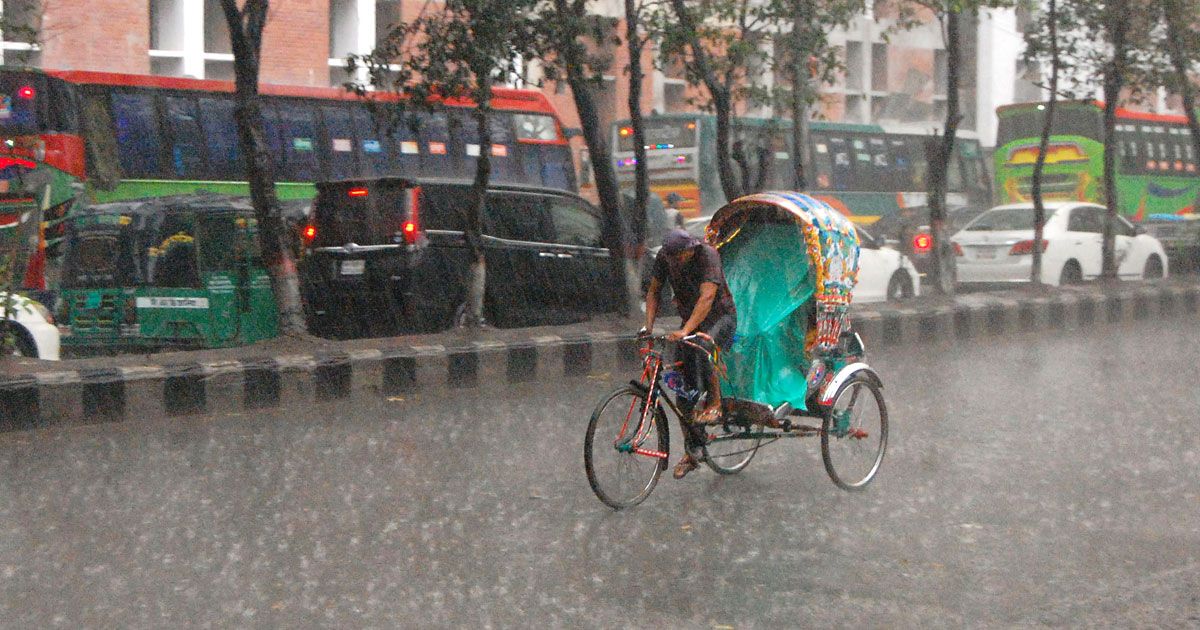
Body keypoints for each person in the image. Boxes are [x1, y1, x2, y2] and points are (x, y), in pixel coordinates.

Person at [642, 228, 737, 479]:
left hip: (720, 318)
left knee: (705, 344)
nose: (675, 262)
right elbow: (653, 291)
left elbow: (707, 297)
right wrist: (647, 327)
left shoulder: (707, 255)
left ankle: (716, 402)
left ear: (690, 250)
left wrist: (685, 329)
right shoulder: (665, 257)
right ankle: (692, 451)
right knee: (684, 394)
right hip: (690, 322)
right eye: (671, 258)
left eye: (679, 257)